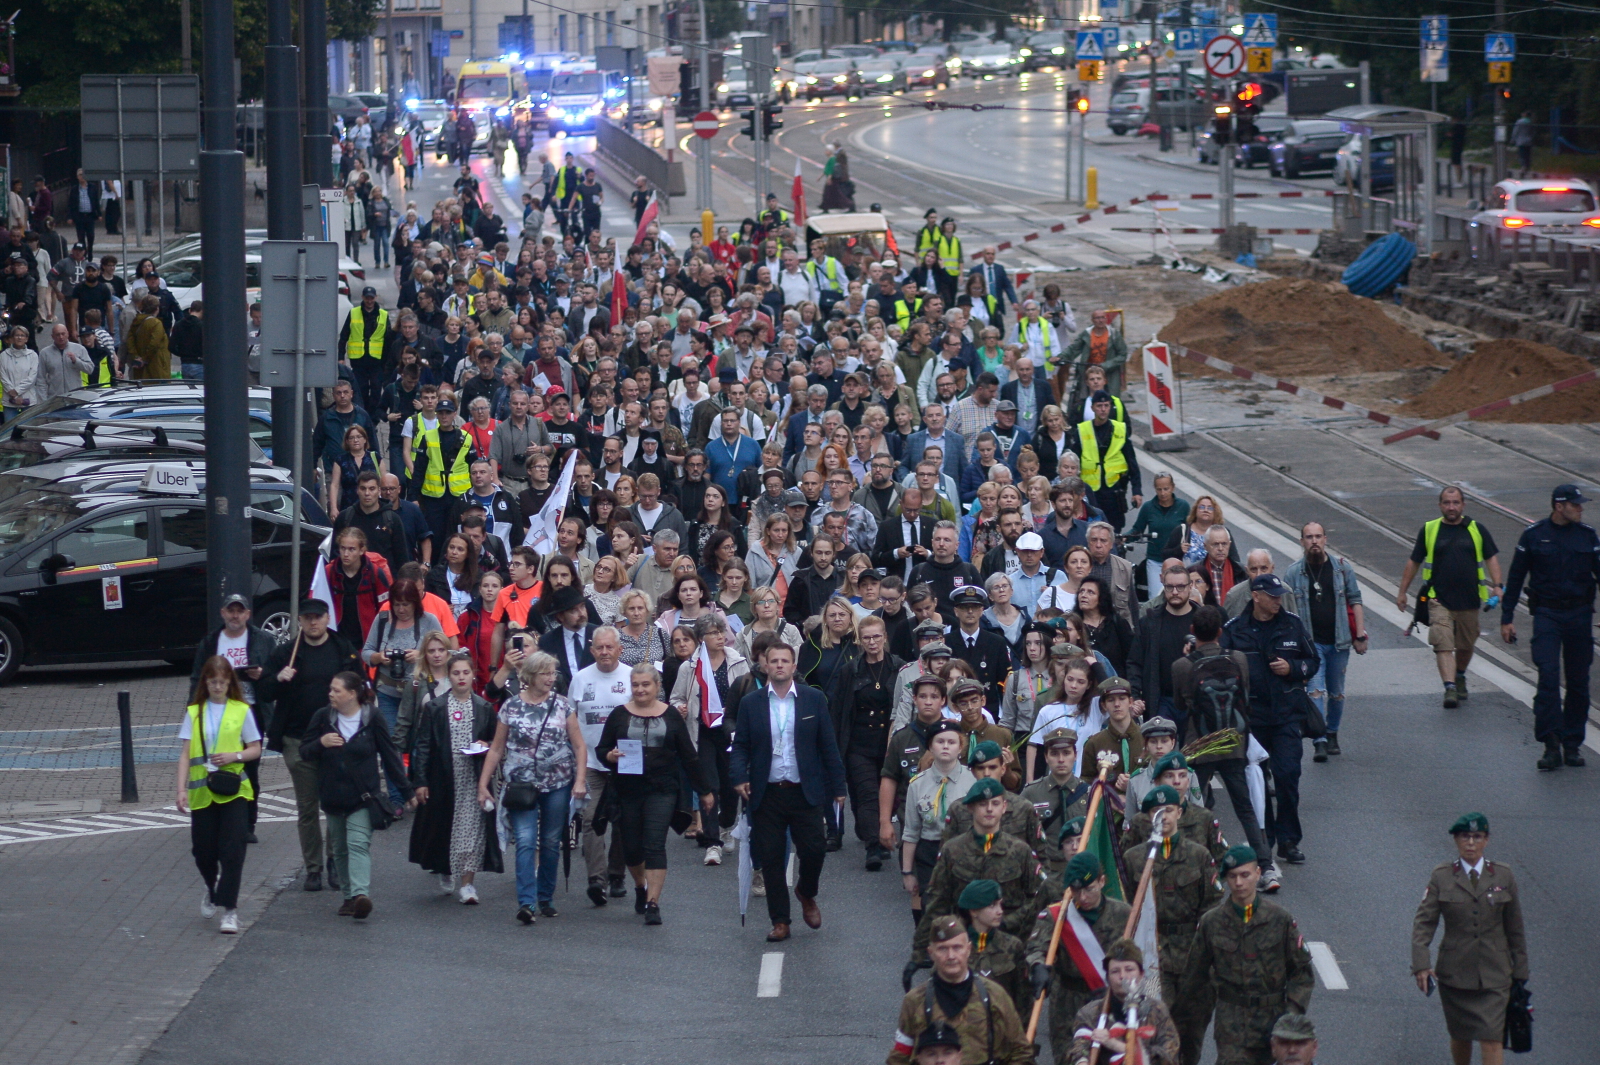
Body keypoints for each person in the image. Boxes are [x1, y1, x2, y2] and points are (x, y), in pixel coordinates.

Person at [730, 638, 848, 942]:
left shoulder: (812, 699)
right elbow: (740, 745)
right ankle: (780, 920)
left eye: (785, 661)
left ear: (794, 666)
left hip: (804, 789)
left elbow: (828, 745)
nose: (780, 665)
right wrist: (739, 776)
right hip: (767, 791)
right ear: (765, 666)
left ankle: (806, 892)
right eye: (774, 661)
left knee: (814, 850)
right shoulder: (751, 703)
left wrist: (838, 786)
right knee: (770, 858)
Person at [595, 662, 714, 926]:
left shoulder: (671, 716)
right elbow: (602, 750)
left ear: (657, 686)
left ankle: (653, 902)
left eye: (646, 684)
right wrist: (610, 756)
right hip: (627, 790)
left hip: (662, 788)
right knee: (632, 847)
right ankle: (640, 885)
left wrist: (704, 790)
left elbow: (689, 757)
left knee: (654, 843)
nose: (640, 690)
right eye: (635, 685)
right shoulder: (618, 715)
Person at [258, 599, 362, 891]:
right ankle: (313, 868)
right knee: (307, 806)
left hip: (334, 739)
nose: (313, 623)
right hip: (296, 739)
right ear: (300, 621)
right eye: (307, 618)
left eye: (318, 617)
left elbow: (360, 685)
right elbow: (264, 691)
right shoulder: (286, 653)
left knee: (333, 805)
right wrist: (279, 679)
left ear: (328, 618)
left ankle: (333, 861)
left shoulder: (343, 649)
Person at [1171, 606, 1276, 890]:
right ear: (1220, 632)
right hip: (1233, 743)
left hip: (1199, 744)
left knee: (1193, 806)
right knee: (1245, 808)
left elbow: (1181, 706)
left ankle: (1192, 867)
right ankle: (1266, 867)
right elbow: (1246, 696)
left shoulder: (1182, 666)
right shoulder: (1238, 658)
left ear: (1193, 631)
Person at [1180, 845, 1314, 1065]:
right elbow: (1194, 977)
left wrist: (1290, 1016)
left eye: (1245, 875)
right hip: (1232, 1023)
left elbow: (1302, 973)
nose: (1239, 883)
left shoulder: (1279, 919)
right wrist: (1181, 1021)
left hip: (1274, 1021)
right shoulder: (1212, 923)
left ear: (1258, 874)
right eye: (1232, 876)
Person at [479, 651, 587, 923]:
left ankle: (545, 897)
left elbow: (578, 745)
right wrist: (484, 785)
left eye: (553, 673)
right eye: (545, 674)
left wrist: (580, 780)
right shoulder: (511, 707)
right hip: (521, 784)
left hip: (558, 783)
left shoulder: (563, 705)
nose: (551, 678)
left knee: (551, 842)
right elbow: (496, 748)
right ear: (529, 676)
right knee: (526, 841)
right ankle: (526, 902)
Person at [1411, 812, 1528, 1065]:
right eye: (1465, 836)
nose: (1471, 842)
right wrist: (1421, 964)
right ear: (1456, 840)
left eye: (1477, 836)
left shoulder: (1503, 876)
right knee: (1461, 1035)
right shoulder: (1442, 876)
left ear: (1486, 840)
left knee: (1491, 1038)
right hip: (1455, 974)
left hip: (1495, 974)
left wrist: (1520, 973)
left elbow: (1515, 928)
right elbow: (1424, 922)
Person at [299, 672, 417, 919]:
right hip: (332, 797)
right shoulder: (323, 718)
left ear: (352, 694)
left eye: (336, 690)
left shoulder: (372, 717)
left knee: (358, 844)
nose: (331, 694)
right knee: (340, 849)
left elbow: (389, 754)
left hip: (363, 797)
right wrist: (321, 743)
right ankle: (348, 896)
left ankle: (360, 895)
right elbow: (305, 752)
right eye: (330, 689)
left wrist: (406, 791)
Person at [1499, 483, 1600, 771]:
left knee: (1579, 682)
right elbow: (1516, 577)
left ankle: (1572, 744)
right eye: (1575, 504)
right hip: (1547, 615)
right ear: (1559, 506)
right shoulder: (1534, 536)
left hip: (1580, 614)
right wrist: (1507, 618)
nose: (1581, 508)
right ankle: (1551, 743)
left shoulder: (1588, 536)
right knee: (1548, 677)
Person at [1221, 574, 1318, 867]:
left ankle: (1289, 840)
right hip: (1252, 720)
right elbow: (1222, 666)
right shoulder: (1235, 630)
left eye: (1279, 596)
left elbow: (1312, 661)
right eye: (1273, 596)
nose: (1278, 601)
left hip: (1287, 715)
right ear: (1256, 596)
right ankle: (1265, 841)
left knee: (1288, 776)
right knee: (1257, 783)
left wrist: (1292, 667)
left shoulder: (1292, 624)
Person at [1123, 785, 1221, 1065]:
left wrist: (1203, 945)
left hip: (1193, 954)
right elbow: (1128, 903)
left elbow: (1213, 900)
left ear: (1179, 812)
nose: (1162, 816)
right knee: (1155, 1027)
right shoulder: (1135, 859)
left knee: (1190, 1034)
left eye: (1168, 810)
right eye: (1155, 811)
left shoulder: (1199, 855)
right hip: (1152, 953)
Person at [911, 778, 1042, 967]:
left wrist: (1010, 922)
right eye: (983, 804)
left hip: (1008, 950)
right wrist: (918, 952)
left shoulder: (1020, 851)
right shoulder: (953, 850)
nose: (989, 809)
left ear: (1004, 807)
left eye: (995, 803)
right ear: (971, 808)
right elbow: (937, 902)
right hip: (962, 949)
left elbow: (1036, 899)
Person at [1396, 486, 1504, 710]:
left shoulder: (1477, 529)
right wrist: (1402, 591)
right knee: (1443, 644)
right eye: (1447, 502)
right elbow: (1414, 561)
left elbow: (1491, 558)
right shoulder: (1429, 530)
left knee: (1466, 645)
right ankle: (1450, 687)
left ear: (1463, 505)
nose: (1451, 507)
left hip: (1469, 600)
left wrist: (1497, 586)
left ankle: (1460, 674)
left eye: (1455, 503)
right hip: (1438, 599)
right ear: (1440, 505)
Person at [176, 657, 262, 935]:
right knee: (203, 851)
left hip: (234, 788)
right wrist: (180, 790)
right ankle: (210, 886)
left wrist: (233, 756)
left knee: (233, 850)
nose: (217, 687)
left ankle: (230, 911)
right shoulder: (194, 712)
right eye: (212, 682)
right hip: (202, 792)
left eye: (222, 682)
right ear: (205, 683)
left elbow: (255, 748)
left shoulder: (241, 710)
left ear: (229, 684)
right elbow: (186, 754)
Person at [408, 653, 501, 903]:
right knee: (443, 827)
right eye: (456, 673)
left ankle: (468, 884)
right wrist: (421, 781)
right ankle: (445, 868)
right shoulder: (436, 707)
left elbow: (496, 741)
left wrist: (486, 743)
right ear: (449, 677)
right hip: (443, 779)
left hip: (473, 780)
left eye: (465, 673)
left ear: (473, 675)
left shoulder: (483, 708)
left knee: (472, 830)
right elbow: (424, 745)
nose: (461, 677)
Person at [1024, 851, 1132, 1054]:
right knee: (1069, 1056)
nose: (1082, 897)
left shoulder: (1124, 914)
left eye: (1089, 889)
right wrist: (1038, 966)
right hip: (1068, 1003)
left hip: (1110, 999)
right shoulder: (1055, 916)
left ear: (1102, 881)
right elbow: (1036, 947)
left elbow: (1139, 957)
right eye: (1075, 890)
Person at [889, 915, 1035, 1065]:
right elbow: (900, 1055)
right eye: (942, 949)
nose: (951, 956)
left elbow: (1021, 1051)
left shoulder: (994, 995)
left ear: (968, 949)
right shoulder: (915, 1001)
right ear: (931, 953)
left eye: (957, 947)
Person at [189, 595, 276, 841]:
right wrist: (193, 710)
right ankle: (217, 815)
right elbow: (197, 677)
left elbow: (277, 675)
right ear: (223, 613)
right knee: (215, 763)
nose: (235, 616)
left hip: (251, 711)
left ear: (248, 614)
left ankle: (248, 823)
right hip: (216, 711)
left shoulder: (264, 639)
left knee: (250, 768)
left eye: (240, 611)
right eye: (231, 611)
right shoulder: (211, 642)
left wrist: (262, 674)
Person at [668, 614, 749, 864]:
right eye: (714, 633)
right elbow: (676, 698)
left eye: (721, 631)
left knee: (729, 786)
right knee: (708, 786)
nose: (720, 636)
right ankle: (713, 842)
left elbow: (749, 697)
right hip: (701, 732)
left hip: (730, 732)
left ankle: (727, 824)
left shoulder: (738, 662)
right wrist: (680, 707)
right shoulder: (690, 666)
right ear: (702, 638)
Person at [1283, 522, 1365, 762]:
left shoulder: (1342, 568)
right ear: (1302, 542)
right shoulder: (1293, 572)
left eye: (1318, 536)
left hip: (1339, 642)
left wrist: (1360, 634)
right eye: (1309, 537)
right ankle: (1319, 740)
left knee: (1337, 692)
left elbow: (1356, 599)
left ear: (1326, 539)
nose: (1314, 541)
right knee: (1315, 692)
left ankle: (1332, 732)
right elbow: (1287, 611)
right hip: (1311, 645)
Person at [569, 625, 633, 905]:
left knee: (622, 821)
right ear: (592, 650)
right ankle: (597, 879)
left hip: (625, 764)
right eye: (599, 647)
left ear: (619, 649)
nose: (605, 652)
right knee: (591, 820)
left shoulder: (632, 677)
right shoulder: (581, 679)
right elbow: (570, 721)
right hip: (592, 764)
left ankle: (616, 874)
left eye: (610, 647)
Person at [1062, 938, 1181, 1065]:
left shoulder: (1156, 1010)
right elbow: (1078, 1048)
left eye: (1129, 969)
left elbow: (1169, 1056)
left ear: (1141, 974)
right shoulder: (1090, 1013)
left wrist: (1118, 1046)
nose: (1122, 976)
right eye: (1115, 971)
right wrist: (1082, 1061)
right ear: (1108, 977)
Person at [1019, 728, 1088, 878]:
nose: (1061, 759)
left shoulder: (1089, 794)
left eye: (1066, 753)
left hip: (1081, 870)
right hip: (1045, 872)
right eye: (1054, 754)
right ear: (1046, 757)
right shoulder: (1031, 793)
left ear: (1075, 755)